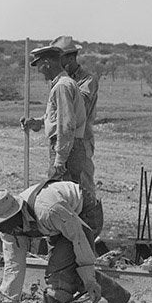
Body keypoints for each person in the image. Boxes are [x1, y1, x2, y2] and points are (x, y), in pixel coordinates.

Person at [0, 180, 130, 303]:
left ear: (15, 214)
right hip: (61, 223)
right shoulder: (10, 230)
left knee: (58, 279)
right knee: (69, 273)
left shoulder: (47, 210)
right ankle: (117, 294)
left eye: (1, 223)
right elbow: (13, 269)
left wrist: (89, 280)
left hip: (84, 213)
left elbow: (78, 237)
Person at [21, 36, 96, 229]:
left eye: (39, 65)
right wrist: (37, 123)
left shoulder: (65, 85)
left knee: (69, 197)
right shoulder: (64, 83)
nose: (38, 71)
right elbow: (58, 118)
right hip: (68, 144)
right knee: (68, 196)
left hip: (71, 145)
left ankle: (78, 241)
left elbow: (66, 124)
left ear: (47, 63)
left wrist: (60, 159)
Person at [63, 43, 104, 235]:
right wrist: (37, 122)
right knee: (65, 187)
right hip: (64, 143)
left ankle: (91, 232)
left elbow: (79, 110)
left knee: (84, 186)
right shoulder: (61, 81)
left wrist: (63, 86)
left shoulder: (87, 80)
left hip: (82, 142)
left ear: (70, 59)